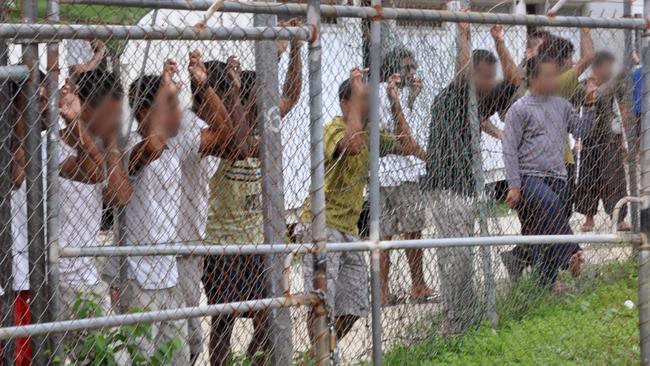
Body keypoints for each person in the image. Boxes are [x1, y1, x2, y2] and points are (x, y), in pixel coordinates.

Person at [298, 67, 425, 347]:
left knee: (355, 305)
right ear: (347, 104)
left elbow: (406, 144)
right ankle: (320, 357)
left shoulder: (371, 131)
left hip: (348, 228)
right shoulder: (333, 128)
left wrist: (394, 101)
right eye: (363, 99)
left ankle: (318, 354)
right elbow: (352, 146)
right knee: (321, 303)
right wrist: (357, 96)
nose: (371, 104)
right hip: (320, 226)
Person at [202, 20, 303, 365]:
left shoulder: (261, 130)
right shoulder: (224, 136)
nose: (267, 103)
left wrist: (295, 47)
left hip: (256, 243)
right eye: (258, 97)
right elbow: (240, 144)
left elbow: (291, 94)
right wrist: (234, 91)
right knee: (223, 321)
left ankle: (254, 361)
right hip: (223, 245)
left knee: (264, 316)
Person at [124, 56, 236, 363]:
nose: (180, 114)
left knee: (179, 356)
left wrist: (205, 87)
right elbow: (150, 148)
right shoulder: (130, 146)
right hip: (139, 278)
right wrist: (165, 94)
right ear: (147, 112)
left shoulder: (177, 144)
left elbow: (226, 134)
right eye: (172, 107)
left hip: (168, 275)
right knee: (142, 358)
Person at [424, 22, 519, 335]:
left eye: (493, 77)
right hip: (446, 186)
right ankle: (455, 319)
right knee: (455, 257)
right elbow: (462, 72)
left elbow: (515, 81)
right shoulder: (456, 95)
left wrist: (500, 40)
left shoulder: (481, 97)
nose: (492, 82)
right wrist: (463, 34)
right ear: (473, 73)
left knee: (461, 255)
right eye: (486, 76)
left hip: (466, 185)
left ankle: (462, 315)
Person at [501, 30, 594, 280]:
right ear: (532, 79)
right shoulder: (519, 109)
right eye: (547, 76)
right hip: (531, 177)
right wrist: (514, 185)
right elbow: (509, 148)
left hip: (558, 176)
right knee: (550, 205)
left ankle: (546, 282)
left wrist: (591, 105)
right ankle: (572, 253)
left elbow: (582, 130)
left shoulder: (561, 105)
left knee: (548, 226)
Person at [57, 70, 132, 361]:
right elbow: (89, 172)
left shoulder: (102, 150)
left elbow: (120, 196)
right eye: (111, 113)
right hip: (62, 277)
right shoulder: (53, 145)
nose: (117, 121)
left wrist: (111, 142)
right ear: (86, 108)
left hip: (85, 277)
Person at [377, 47, 433, 304]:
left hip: (381, 174)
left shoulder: (382, 93)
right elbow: (404, 138)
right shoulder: (387, 94)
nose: (413, 72)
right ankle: (418, 285)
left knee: (384, 233)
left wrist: (411, 99)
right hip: (401, 173)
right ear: (395, 71)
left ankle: (382, 290)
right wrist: (426, 156)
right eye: (408, 67)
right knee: (413, 231)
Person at [572, 51, 630, 232]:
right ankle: (589, 218)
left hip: (609, 136)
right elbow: (573, 110)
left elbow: (622, 110)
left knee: (614, 178)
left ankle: (619, 218)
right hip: (589, 138)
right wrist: (576, 138)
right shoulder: (583, 86)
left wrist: (624, 139)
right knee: (588, 179)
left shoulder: (615, 85)